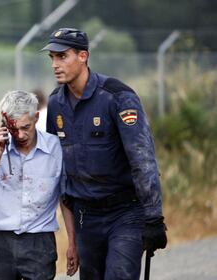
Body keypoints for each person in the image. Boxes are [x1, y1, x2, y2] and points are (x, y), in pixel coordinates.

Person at [41, 28, 167, 279]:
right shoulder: (56, 103)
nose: (55, 64)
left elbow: (142, 159)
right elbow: (61, 172)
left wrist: (153, 218)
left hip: (125, 213)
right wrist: (72, 239)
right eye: (52, 58)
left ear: (83, 56)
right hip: (85, 217)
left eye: (62, 56)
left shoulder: (117, 97)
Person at [0, 90, 78, 280]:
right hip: (0, 243)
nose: (20, 135)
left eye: (25, 127)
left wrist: (73, 244)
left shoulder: (55, 148)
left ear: (36, 117)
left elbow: (65, 198)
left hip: (39, 242)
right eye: (13, 129)